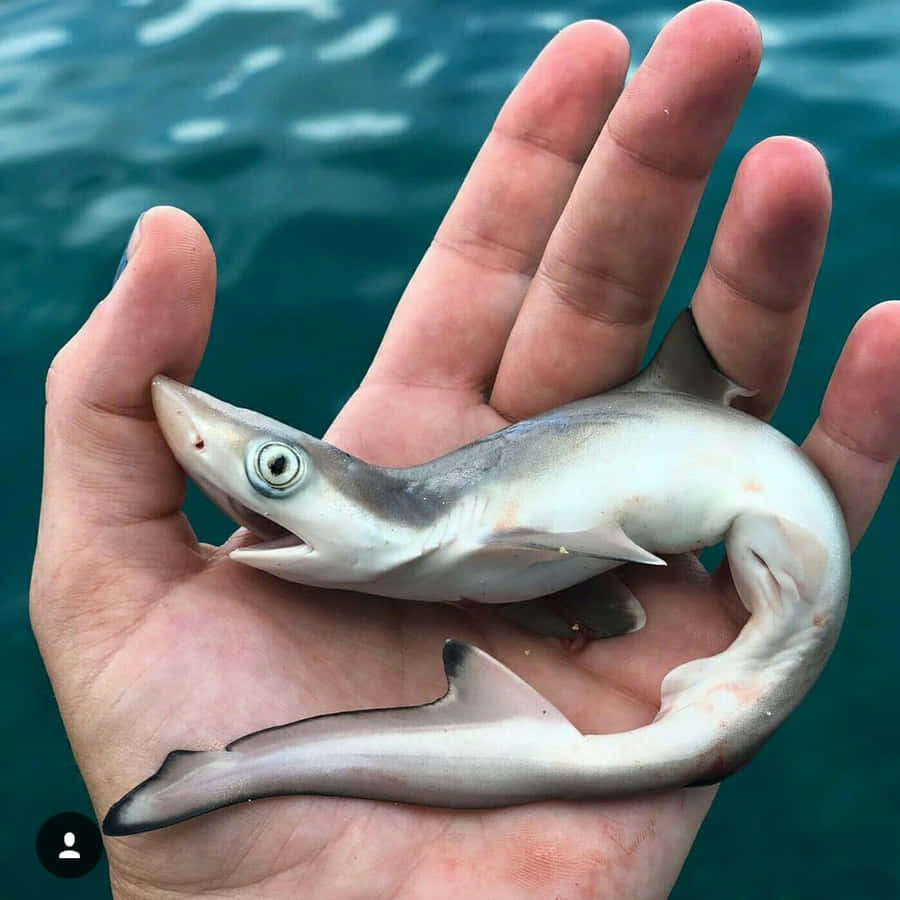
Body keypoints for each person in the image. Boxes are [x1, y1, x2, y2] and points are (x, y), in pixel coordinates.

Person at [30, 2, 899, 896]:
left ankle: (258, 768)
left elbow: (565, 563)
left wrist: (597, 559)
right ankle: (257, 768)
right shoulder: (476, 572)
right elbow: (580, 594)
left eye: (276, 470)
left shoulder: (477, 534)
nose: (246, 507)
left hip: (781, 545)